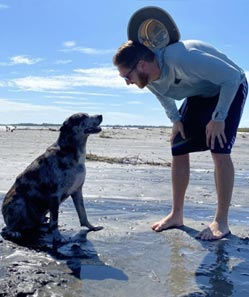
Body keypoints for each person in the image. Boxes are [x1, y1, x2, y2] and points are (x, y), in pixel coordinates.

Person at [113, 39, 248, 240]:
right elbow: (164, 97)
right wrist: (176, 120)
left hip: (231, 85)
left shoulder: (184, 58)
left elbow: (231, 77)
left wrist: (219, 118)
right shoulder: (147, 77)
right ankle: (176, 214)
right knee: (179, 145)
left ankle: (221, 221)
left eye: (127, 75)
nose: (127, 81)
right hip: (200, 92)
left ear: (141, 64)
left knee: (218, 148)